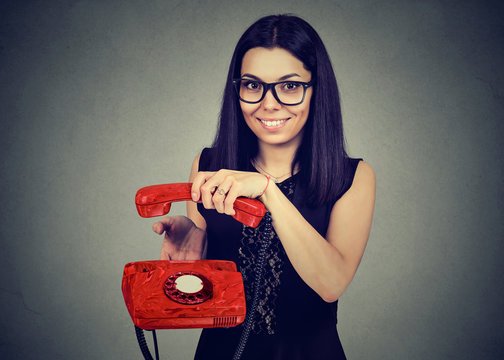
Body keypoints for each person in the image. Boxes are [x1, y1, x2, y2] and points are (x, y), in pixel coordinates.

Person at [152, 14, 375, 360]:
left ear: (316, 89)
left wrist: (267, 189)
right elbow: (210, 286)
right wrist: (196, 243)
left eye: (289, 86)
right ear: (237, 89)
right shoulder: (208, 165)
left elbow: (331, 284)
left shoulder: (354, 177)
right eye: (253, 85)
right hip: (221, 352)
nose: (269, 103)